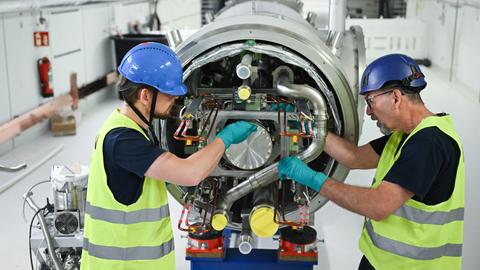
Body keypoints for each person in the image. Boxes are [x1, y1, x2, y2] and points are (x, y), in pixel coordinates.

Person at [278, 54, 464, 270]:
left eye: (371, 101)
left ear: (395, 97)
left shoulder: (429, 143)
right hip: (383, 261)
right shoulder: (405, 136)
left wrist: (313, 179)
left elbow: (377, 205)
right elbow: (353, 157)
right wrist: (302, 122)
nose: (369, 111)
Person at [80, 42, 257, 270]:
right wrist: (226, 137)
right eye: (170, 93)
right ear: (145, 95)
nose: (176, 99)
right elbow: (190, 173)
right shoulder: (123, 141)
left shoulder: (132, 127)